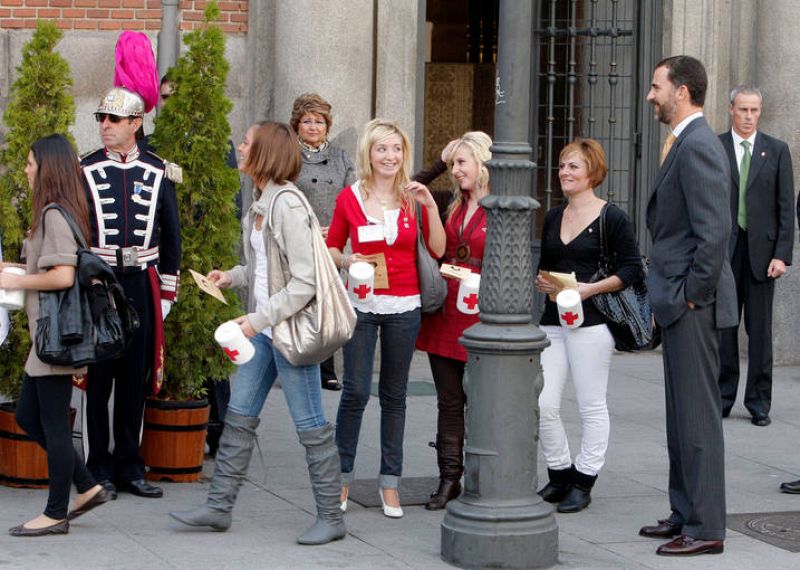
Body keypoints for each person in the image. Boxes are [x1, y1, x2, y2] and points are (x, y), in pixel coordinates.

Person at [169, 121, 345, 545]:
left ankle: (331, 517)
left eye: (246, 142)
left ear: (263, 152)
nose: (240, 147)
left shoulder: (287, 204)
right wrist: (231, 277)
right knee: (239, 417)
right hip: (266, 330)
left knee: (311, 425)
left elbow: (303, 283)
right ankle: (218, 507)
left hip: (287, 333)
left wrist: (254, 321)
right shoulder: (263, 200)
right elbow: (267, 269)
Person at [639, 55, 736, 557]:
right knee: (681, 417)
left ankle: (705, 527)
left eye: (657, 87)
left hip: (694, 307)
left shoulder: (698, 145)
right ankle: (684, 514)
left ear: (681, 91)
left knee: (697, 419)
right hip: (681, 302)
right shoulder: (686, 142)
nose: (651, 95)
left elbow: (714, 233)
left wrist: (688, 297)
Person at [327, 119, 445, 518]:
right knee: (356, 391)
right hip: (361, 304)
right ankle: (341, 477)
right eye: (382, 149)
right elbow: (331, 247)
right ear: (369, 154)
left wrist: (430, 205)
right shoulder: (349, 198)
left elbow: (438, 247)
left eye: (396, 149)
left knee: (395, 396)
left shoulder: (414, 197)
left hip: (404, 306)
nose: (390, 157)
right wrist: (348, 259)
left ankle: (390, 484)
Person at [1, 135, 113, 537]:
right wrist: (19, 271)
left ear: (47, 168)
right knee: (29, 416)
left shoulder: (53, 213)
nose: (27, 170)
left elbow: (62, 275)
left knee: (50, 424)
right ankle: (85, 486)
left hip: (56, 338)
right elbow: (52, 266)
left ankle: (55, 513)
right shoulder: (57, 211)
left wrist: (13, 280)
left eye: (31, 163)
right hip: (48, 337)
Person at [81, 86, 182, 500]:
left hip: (142, 281)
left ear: (136, 124)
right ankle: (97, 467)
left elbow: (172, 234)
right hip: (99, 284)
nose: (105, 125)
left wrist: (168, 291)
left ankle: (129, 464)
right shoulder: (84, 168)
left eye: (114, 119)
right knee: (98, 378)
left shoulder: (160, 171)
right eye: (101, 119)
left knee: (133, 381)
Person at [534, 138, 643, 514]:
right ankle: (560, 472)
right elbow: (547, 265)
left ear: (592, 172)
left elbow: (631, 269)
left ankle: (584, 479)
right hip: (553, 321)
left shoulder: (612, 217)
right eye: (563, 165)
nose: (565, 172)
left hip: (593, 322)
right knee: (543, 401)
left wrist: (590, 289)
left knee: (590, 404)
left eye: (573, 167)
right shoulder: (552, 216)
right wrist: (545, 282)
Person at [415, 131, 492, 510]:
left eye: (463, 163)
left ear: (482, 165)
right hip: (446, 313)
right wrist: (440, 162)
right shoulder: (449, 202)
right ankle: (449, 479)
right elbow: (412, 186)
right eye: (454, 164)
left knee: (482, 402)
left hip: (480, 317)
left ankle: (483, 477)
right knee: (449, 401)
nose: (456, 170)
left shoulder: (500, 207)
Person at [718, 85, 795, 428]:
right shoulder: (715, 148)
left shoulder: (776, 151)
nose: (749, 117)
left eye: (755, 111)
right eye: (743, 110)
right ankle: (722, 396)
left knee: (760, 332)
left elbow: (785, 208)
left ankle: (759, 402)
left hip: (764, 256)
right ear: (731, 109)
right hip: (725, 253)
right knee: (724, 328)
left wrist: (783, 256)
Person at [290, 93, 356, 391]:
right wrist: (309, 228)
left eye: (319, 121)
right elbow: (285, 195)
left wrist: (339, 229)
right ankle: (297, 359)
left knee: (329, 301)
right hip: (300, 237)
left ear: (327, 125)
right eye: (307, 121)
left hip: (333, 240)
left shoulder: (342, 157)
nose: (313, 127)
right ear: (297, 124)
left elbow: (352, 196)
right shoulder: (289, 154)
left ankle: (327, 367)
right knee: (302, 300)